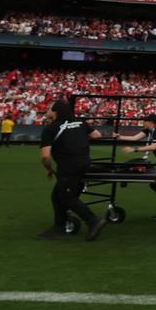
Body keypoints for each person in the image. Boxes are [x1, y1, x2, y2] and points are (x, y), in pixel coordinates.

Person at [37, 98, 108, 241]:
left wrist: (49, 169)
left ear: (56, 112)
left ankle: (93, 221)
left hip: (68, 166)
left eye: (50, 108)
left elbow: (45, 157)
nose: (48, 111)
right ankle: (59, 226)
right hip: (85, 163)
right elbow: (97, 135)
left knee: (67, 197)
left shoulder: (51, 129)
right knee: (57, 195)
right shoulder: (81, 122)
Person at [115, 114, 156, 219]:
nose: (143, 123)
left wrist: (134, 150)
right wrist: (120, 136)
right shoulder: (148, 130)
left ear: (150, 122)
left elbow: (154, 147)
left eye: (144, 121)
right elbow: (134, 138)